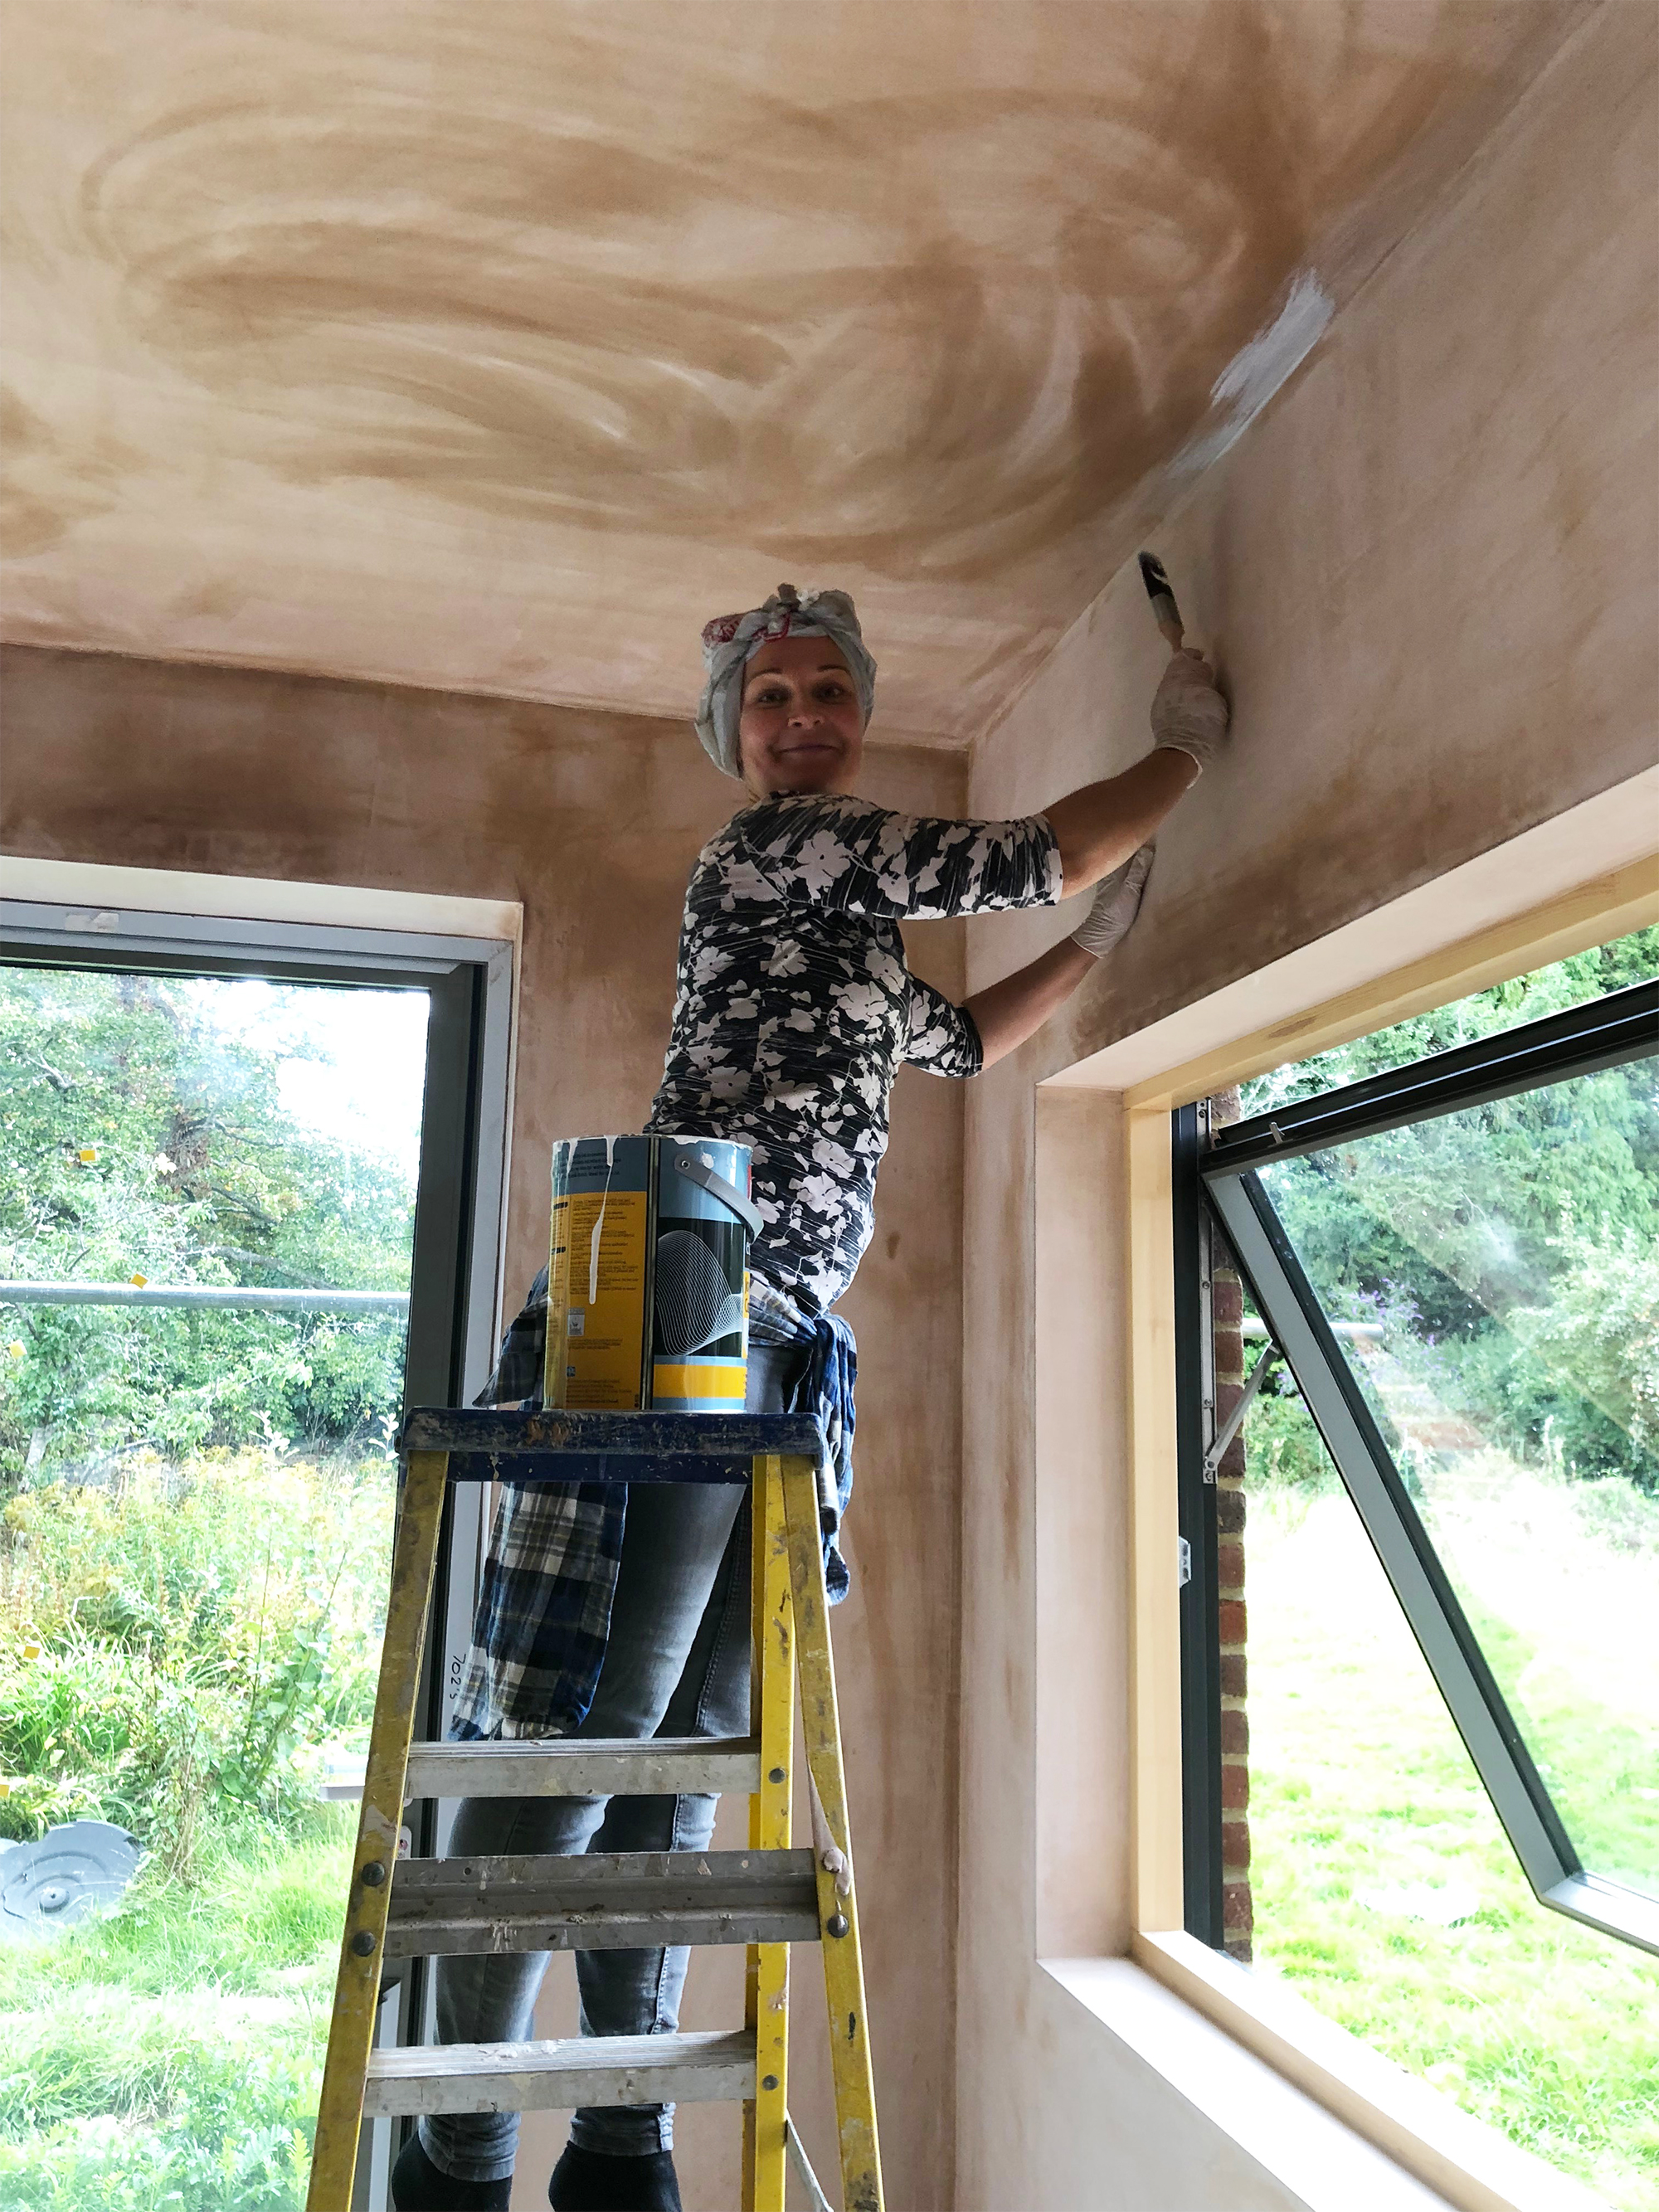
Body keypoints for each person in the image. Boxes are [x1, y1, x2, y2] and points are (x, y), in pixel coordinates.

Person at [391, 585, 1228, 2212]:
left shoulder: (834, 934)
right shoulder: (789, 849)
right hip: (673, 1284)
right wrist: (1179, 757)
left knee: (684, 1744)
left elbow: (963, 1040)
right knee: (582, 1729)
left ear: (857, 701)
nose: (802, 716)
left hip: (760, 1332)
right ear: (738, 730)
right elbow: (1033, 848)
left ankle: (621, 2145)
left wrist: (1091, 953)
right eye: (770, 696)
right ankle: (463, 2151)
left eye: (827, 688)